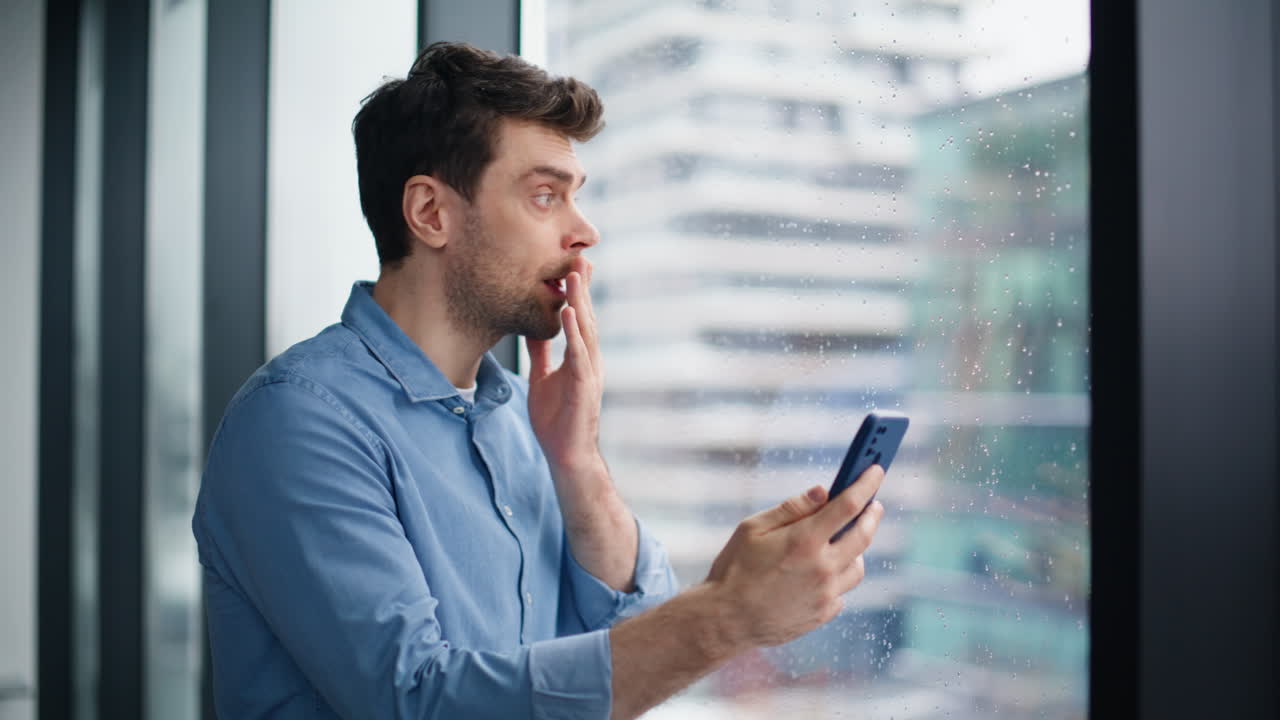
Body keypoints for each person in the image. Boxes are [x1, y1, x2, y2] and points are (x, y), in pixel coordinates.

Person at [192, 41, 887, 720]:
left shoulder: (528, 421)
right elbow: (417, 701)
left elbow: (637, 645)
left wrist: (578, 462)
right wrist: (727, 615)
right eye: (546, 196)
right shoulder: (299, 424)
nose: (585, 231)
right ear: (431, 213)